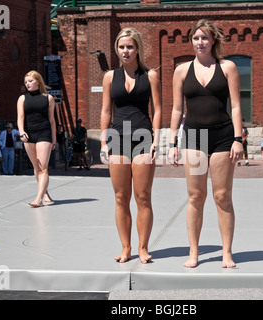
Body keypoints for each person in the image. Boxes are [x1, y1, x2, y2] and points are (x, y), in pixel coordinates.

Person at [168, 19, 243, 268]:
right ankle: (194, 252)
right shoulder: (181, 70)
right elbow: (177, 108)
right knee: (195, 196)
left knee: (222, 196)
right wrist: (172, 142)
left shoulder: (228, 67)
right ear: (191, 41)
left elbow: (235, 105)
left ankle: (227, 252)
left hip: (223, 136)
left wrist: (238, 139)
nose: (200, 42)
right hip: (194, 137)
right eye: (196, 38)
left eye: (205, 38)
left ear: (213, 41)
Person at [100, 27, 161, 264]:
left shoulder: (151, 75)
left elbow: (157, 110)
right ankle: (126, 248)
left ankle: (143, 248)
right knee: (120, 197)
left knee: (143, 196)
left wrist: (156, 140)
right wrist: (104, 142)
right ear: (117, 49)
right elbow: (106, 110)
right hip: (117, 138)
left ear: (138, 49)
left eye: (130, 47)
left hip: (143, 136)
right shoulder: (109, 77)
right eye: (122, 47)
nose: (125, 51)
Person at [17, 70, 56, 207]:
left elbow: (52, 120)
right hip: (28, 134)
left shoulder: (48, 99)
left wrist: (54, 139)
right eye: (26, 82)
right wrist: (21, 132)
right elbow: (20, 118)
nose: (27, 84)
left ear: (38, 82)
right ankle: (44, 193)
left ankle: (38, 199)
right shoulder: (22, 99)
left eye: (30, 81)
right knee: (36, 167)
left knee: (43, 167)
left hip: (44, 133)